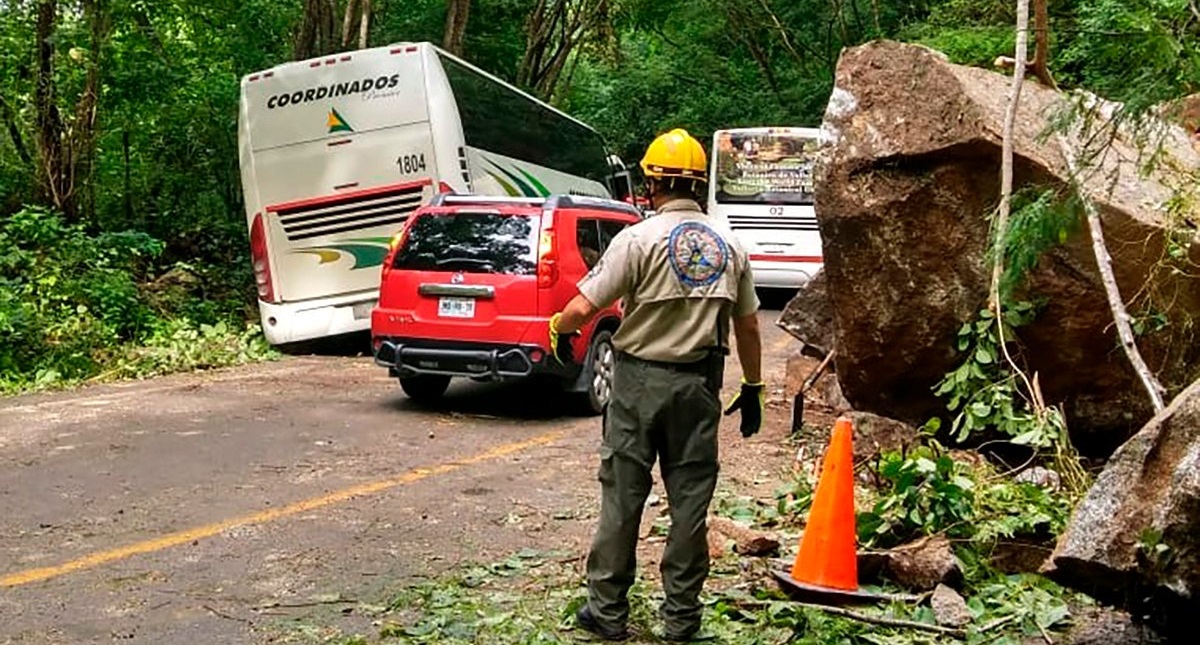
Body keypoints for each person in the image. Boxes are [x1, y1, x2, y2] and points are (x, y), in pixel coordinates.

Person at [548, 128, 764, 641]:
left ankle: (606, 612)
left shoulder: (637, 238)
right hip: (698, 386)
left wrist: (560, 329)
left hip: (638, 385)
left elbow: (584, 307)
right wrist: (753, 385)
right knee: (690, 503)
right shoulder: (728, 243)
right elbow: (750, 324)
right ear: (698, 183)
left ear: (652, 183)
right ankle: (682, 620)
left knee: (623, 497)